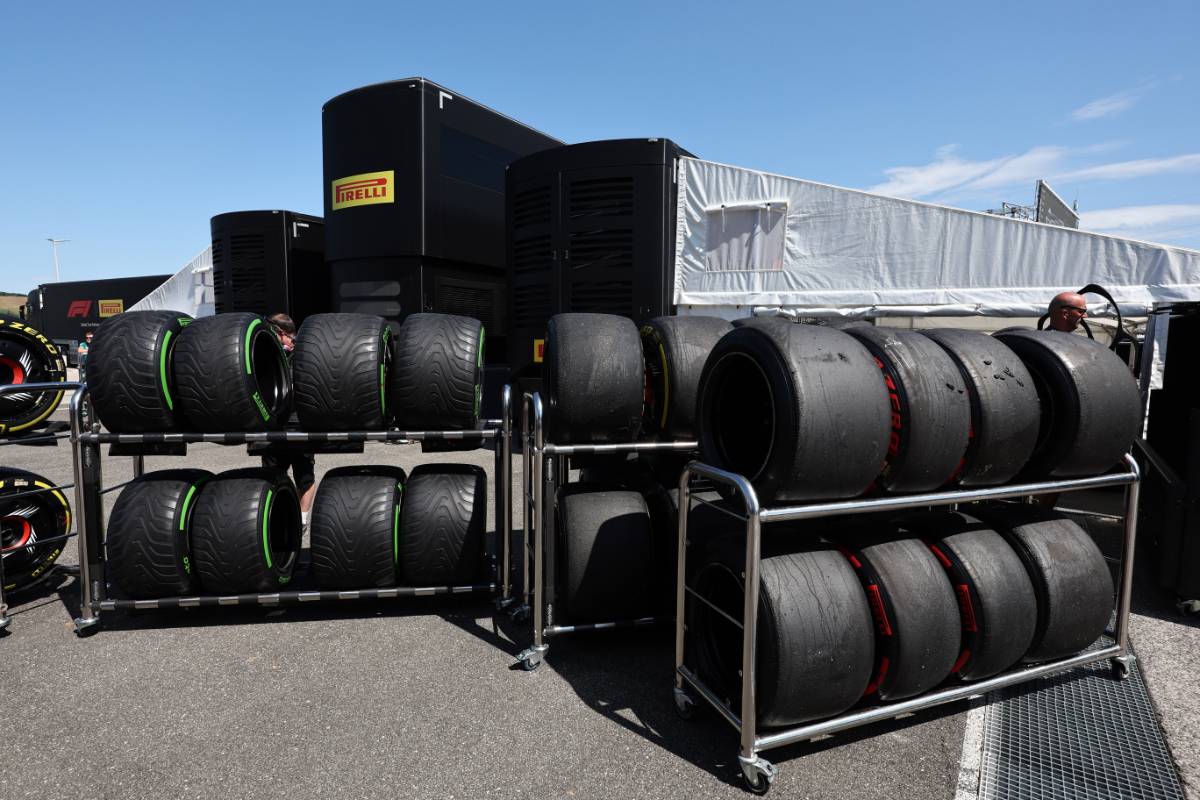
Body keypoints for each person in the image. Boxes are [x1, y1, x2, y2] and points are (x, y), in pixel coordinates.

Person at [259, 313, 317, 524]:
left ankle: (301, 522)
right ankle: (278, 519)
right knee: (271, 478)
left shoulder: (307, 354)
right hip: (274, 428)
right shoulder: (267, 355)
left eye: (272, 333)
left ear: (280, 333)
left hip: (300, 427)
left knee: (305, 479)